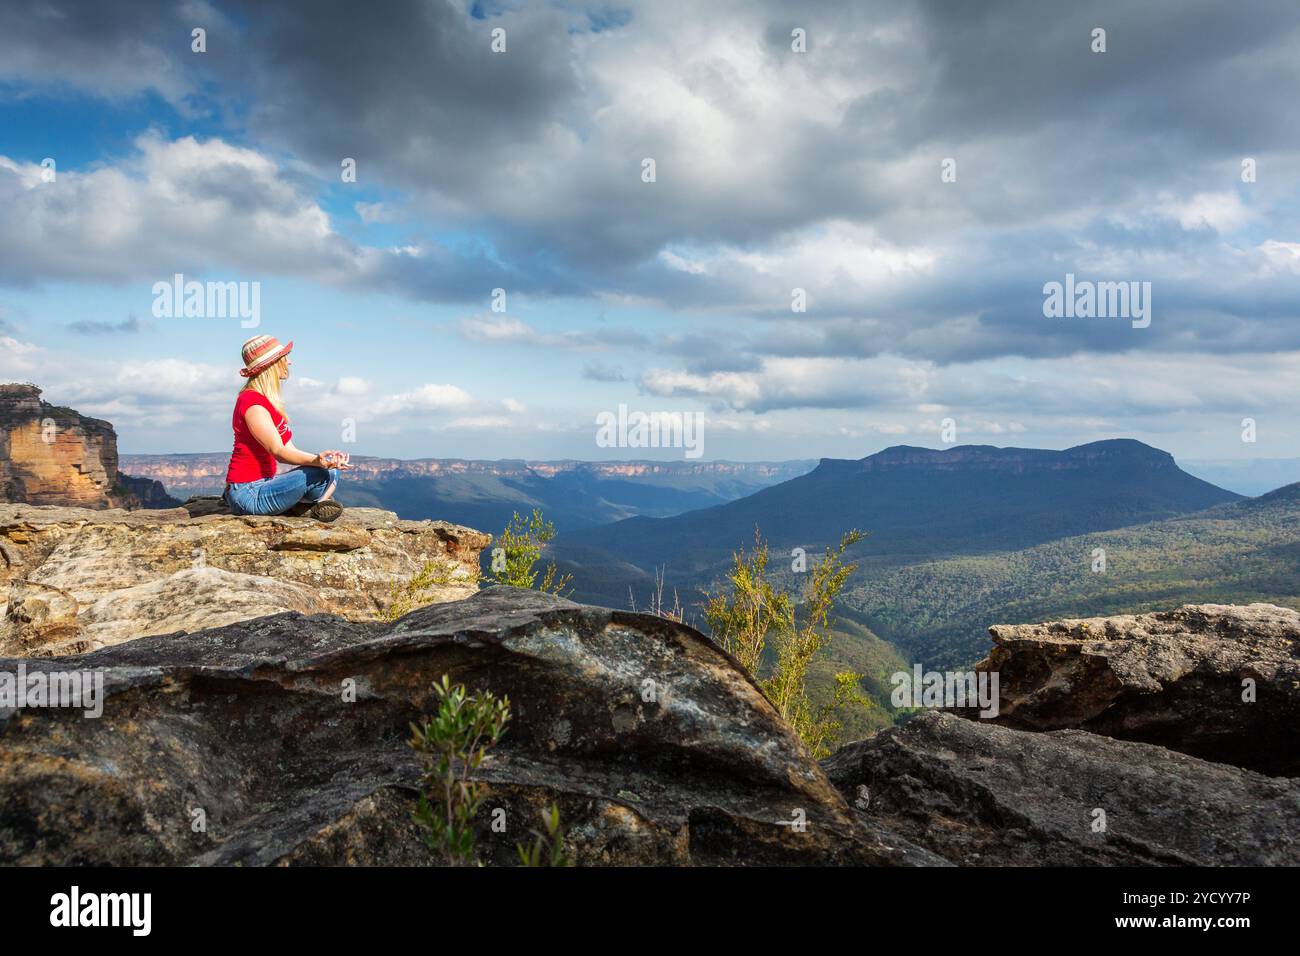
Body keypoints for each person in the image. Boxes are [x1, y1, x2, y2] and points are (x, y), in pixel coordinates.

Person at [222, 334, 352, 520]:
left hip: (263, 485)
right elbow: (278, 451)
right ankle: (316, 505)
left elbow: (289, 449)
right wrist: (317, 461)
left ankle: (313, 503)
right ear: (273, 365)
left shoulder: (265, 402)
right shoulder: (253, 404)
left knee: (331, 471)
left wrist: (327, 461)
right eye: (285, 358)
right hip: (249, 493)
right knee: (318, 473)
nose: (289, 362)